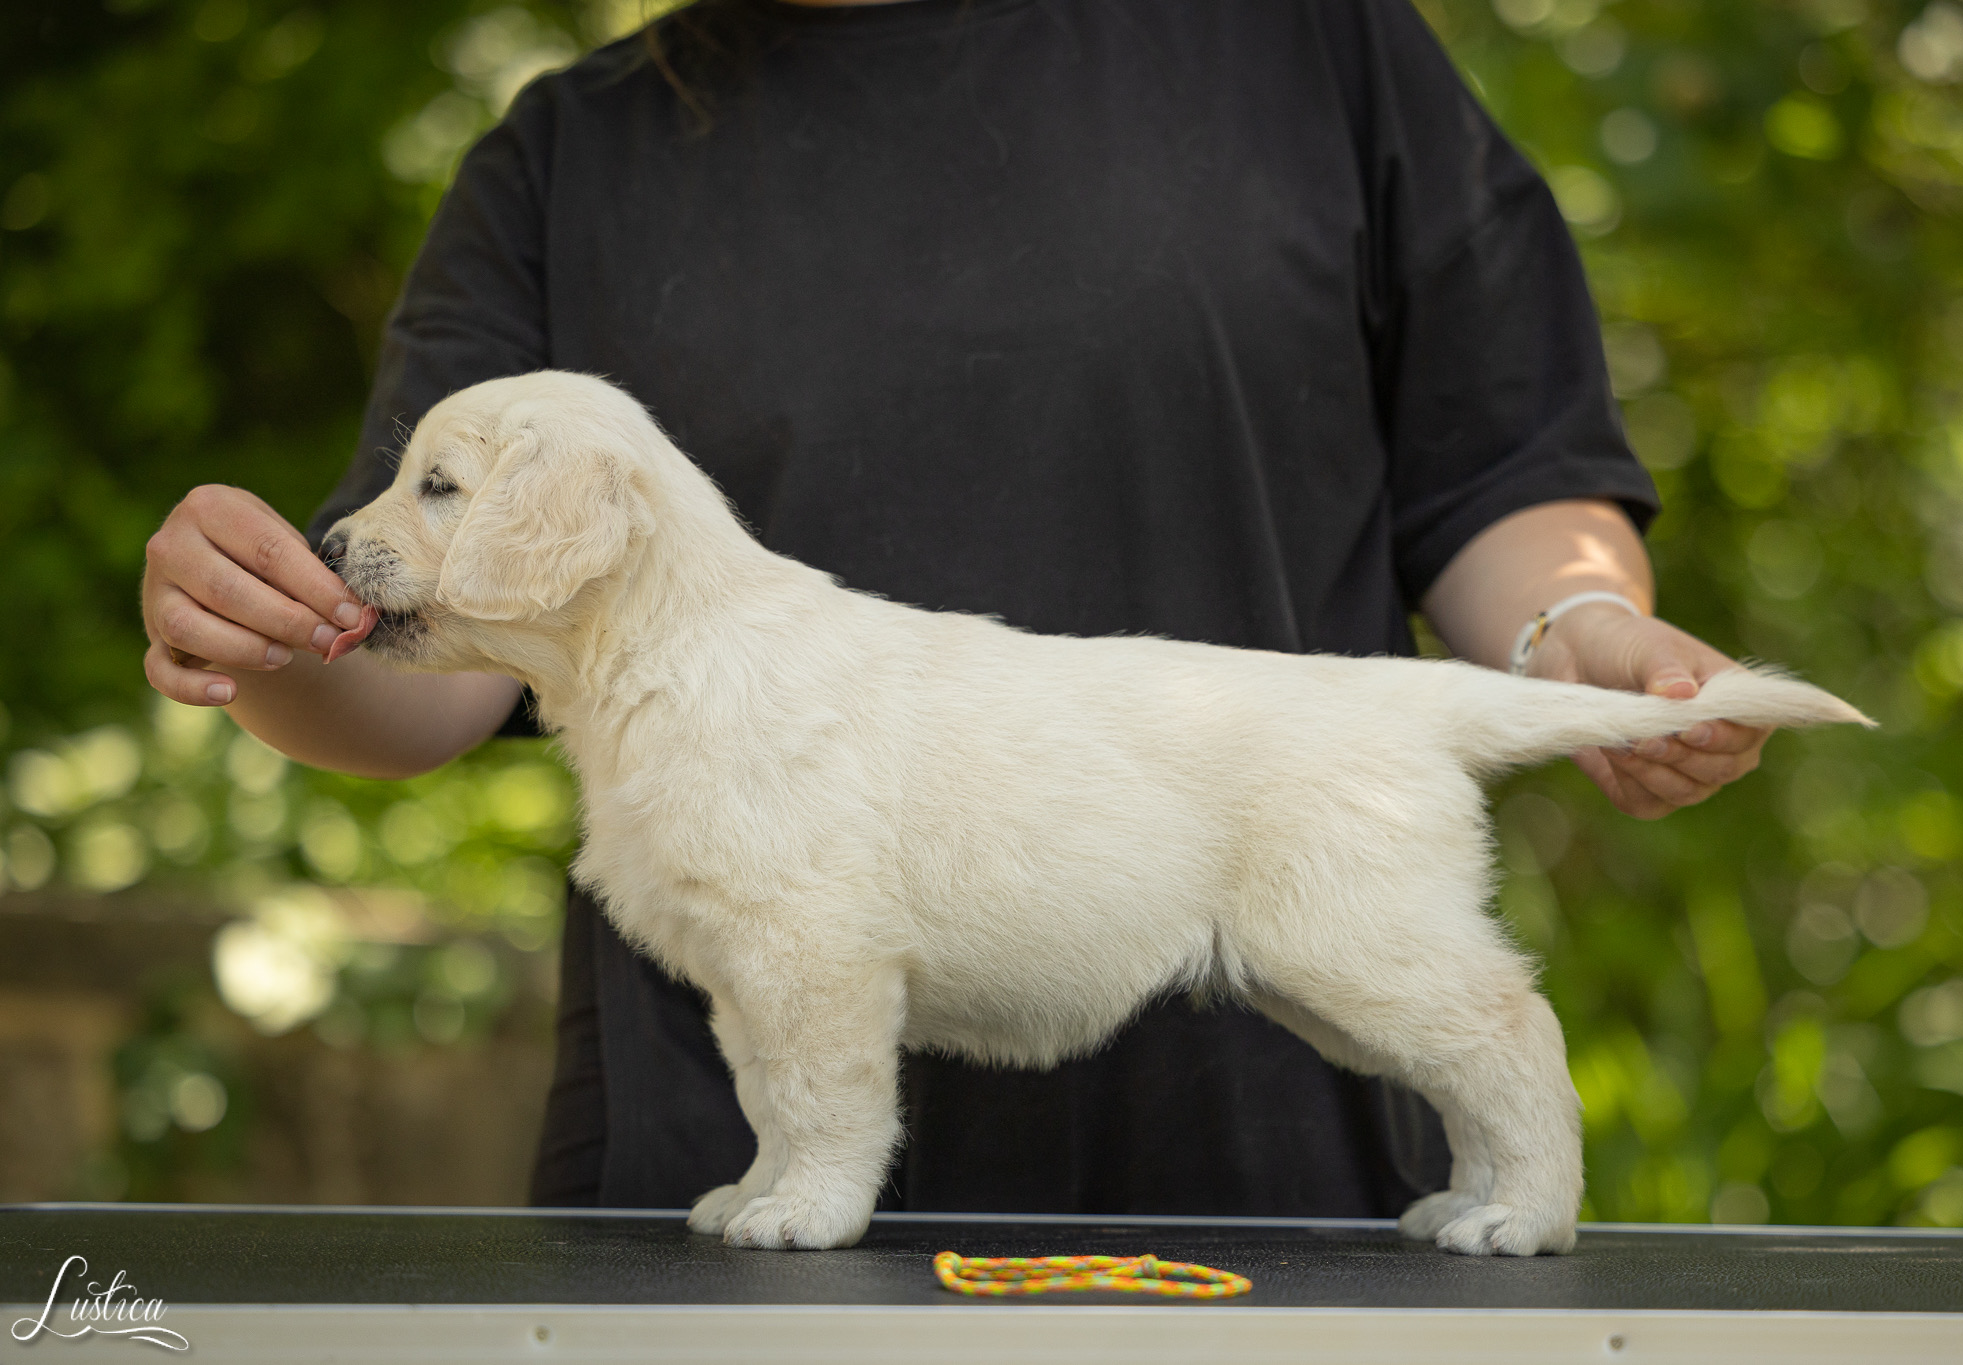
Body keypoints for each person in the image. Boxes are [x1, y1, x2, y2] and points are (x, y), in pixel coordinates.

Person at [140, 0, 1768, 1217]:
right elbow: (425, 646)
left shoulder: (1303, 40)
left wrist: (1573, 626)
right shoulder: (566, 153)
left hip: (1267, 1163)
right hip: (713, 1187)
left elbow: (1503, 465)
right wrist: (265, 636)